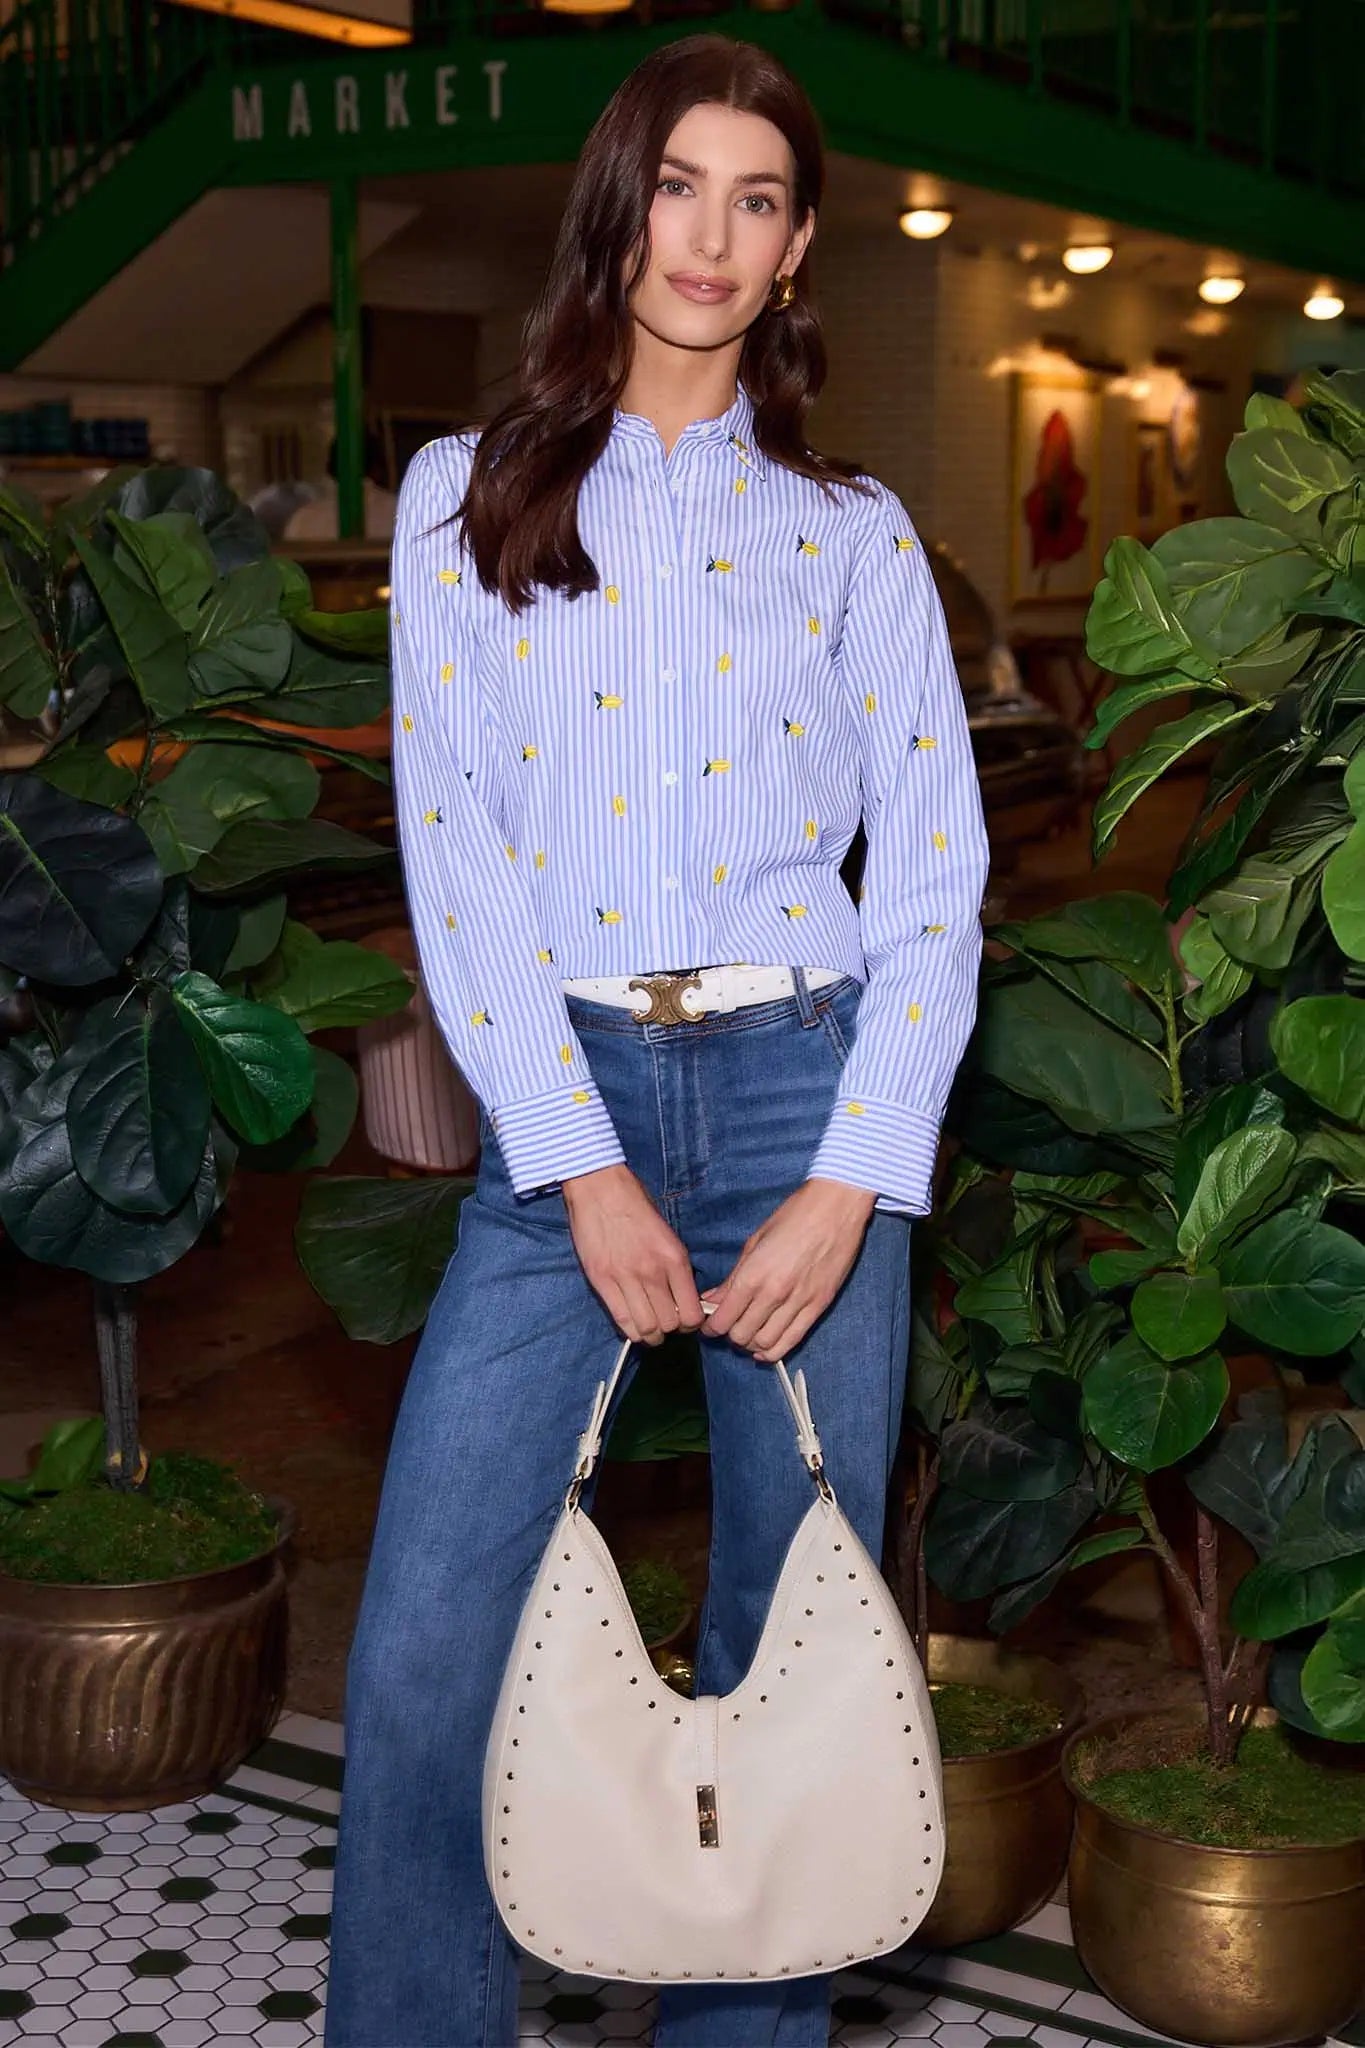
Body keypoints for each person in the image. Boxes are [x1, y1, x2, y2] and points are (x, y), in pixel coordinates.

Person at [324, 32, 989, 2048]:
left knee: (785, 1651)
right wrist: (574, 1154)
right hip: (572, 1119)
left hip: (810, 1094)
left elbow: (935, 877)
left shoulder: (855, 532)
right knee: (433, 1647)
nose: (713, 234)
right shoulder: (459, 499)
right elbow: (458, 862)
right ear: (619, 214)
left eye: (759, 199)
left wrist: (853, 1176)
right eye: (680, 186)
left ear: (795, 256)